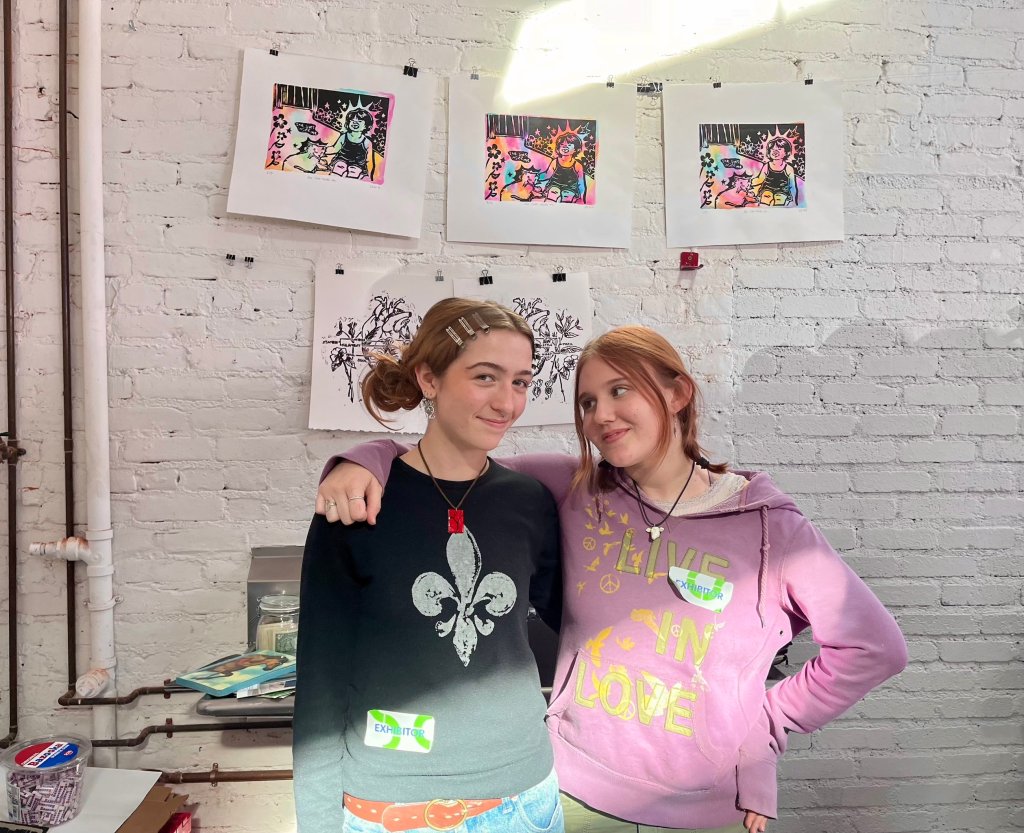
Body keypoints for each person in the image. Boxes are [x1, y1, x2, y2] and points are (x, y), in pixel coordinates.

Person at [317, 325, 909, 833]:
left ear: (677, 393)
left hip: (707, 809)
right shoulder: (571, 488)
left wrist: (765, 729)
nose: (601, 416)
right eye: (587, 402)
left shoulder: (768, 527)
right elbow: (446, 466)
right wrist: (365, 457)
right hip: (575, 794)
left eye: (620, 390)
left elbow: (873, 647)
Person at [293, 298, 564, 833]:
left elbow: (578, 621)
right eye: (485, 377)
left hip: (526, 799)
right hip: (393, 808)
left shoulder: (530, 500)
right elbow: (321, 679)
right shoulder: (358, 503)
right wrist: (318, 822)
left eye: (521, 382)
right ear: (429, 379)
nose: (507, 402)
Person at [750, 137, 798, 207]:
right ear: (769, 152)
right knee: (766, 196)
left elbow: (792, 186)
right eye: (772, 149)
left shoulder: (788, 168)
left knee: (779, 198)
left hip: (782, 191)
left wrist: (794, 200)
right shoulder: (767, 166)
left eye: (779, 149)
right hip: (767, 189)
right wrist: (751, 182)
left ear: (786, 153)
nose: (775, 151)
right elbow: (760, 179)